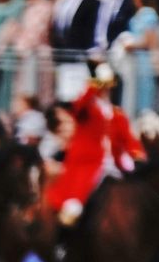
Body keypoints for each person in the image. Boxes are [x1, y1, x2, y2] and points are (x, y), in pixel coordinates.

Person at [43, 60, 142, 228]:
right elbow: (81, 104)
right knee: (73, 210)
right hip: (88, 165)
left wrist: (137, 156)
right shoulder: (86, 108)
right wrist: (96, 82)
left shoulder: (117, 114)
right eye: (104, 84)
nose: (106, 88)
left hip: (114, 165)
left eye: (108, 84)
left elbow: (129, 141)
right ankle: (63, 246)